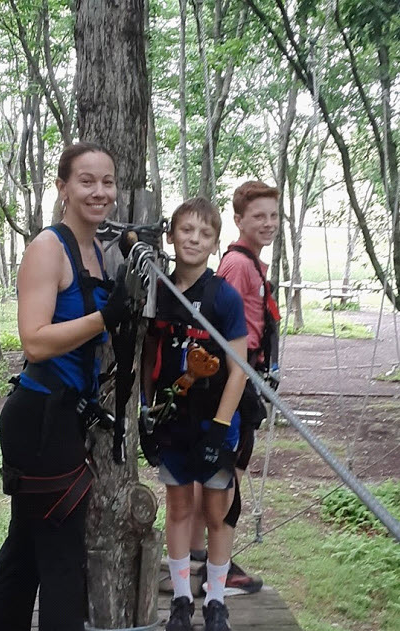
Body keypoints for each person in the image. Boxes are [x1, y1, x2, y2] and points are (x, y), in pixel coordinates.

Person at [0, 141, 131, 631]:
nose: (99, 191)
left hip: (61, 415)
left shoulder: (99, 252)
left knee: (25, 550)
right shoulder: (49, 248)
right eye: (86, 181)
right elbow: (36, 341)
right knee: (62, 559)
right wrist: (105, 316)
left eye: (107, 181)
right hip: (39, 418)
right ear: (63, 187)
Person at [142, 197, 248, 631]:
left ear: (214, 243)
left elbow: (240, 368)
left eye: (205, 234)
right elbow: (149, 357)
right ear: (171, 235)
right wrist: (148, 414)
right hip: (172, 421)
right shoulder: (159, 294)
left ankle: (216, 600)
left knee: (217, 512)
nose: (194, 239)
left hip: (214, 421)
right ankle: (182, 599)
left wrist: (221, 428)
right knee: (179, 507)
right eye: (186, 230)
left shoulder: (223, 296)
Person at [190, 180, 281, 595]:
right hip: (234, 379)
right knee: (223, 470)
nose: (268, 223)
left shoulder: (254, 264)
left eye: (273, 215)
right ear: (239, 220)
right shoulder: (238, 265)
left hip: (250, 374)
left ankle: (204, 559)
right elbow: (219, 323)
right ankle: (207, 560)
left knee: (223, 470)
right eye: (258, 216)